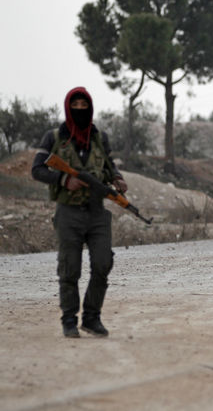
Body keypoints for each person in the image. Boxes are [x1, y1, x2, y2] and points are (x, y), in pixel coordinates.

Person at [31, 87, 127, 338]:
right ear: (68, 107)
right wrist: (63, 180)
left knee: (103, 263)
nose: (81, 110)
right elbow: (37, 170)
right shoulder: (54, 137)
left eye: (85, 106)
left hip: (97, 212)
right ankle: (69, 320)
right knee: (69, 268)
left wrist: (116, 178)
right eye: (77, 106)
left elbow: (109, 164)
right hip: (69, 213)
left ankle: (92, 317)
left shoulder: (99, 137)